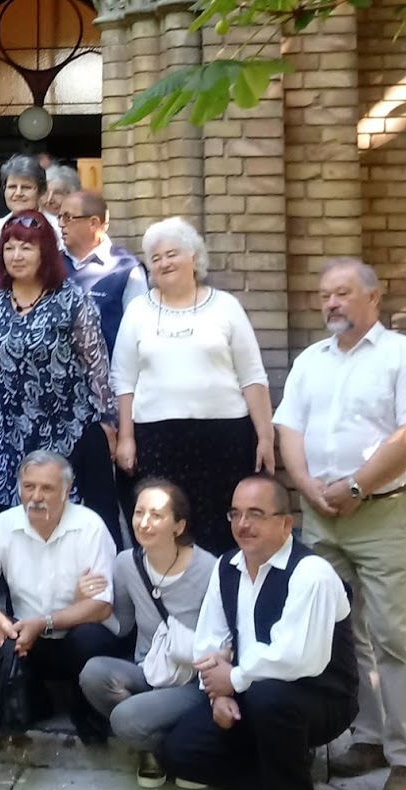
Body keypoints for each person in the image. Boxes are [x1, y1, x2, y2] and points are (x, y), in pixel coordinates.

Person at [274, 258, 406, 790]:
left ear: (374, 296)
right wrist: (304, 485)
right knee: (339, 633)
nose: (331, 303)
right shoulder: (310, 361)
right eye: (325, 294)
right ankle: (367, 737)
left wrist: (357, 486)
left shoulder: (405, 356)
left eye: (342, 292)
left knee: (394, 636)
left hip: (385, 513)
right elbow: (288, 426)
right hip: (322, 513)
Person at [161, 476, 357, 790]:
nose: (243, 524)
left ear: (286, 523)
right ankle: (281, 777)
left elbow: (298, 657)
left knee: (270, 695)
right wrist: (218, 696)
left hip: (319, 696)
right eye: (235, 514)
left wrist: (233, 679)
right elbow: (209, 639)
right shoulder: (228, 566)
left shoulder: (311, 573)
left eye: (255, 514)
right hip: (250, 692)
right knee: (180, 752)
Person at [0, 210, 121, 547]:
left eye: (26, 248)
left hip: (67, 434)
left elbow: (97, 366)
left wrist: (108, 422)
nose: (16, 256)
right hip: (7, 436)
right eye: (9, 248)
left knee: (67, 529)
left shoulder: (71, 298)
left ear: (45, 252)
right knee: (14, 531)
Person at [112, 217, 272, 555]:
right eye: (156, 258)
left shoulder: (226, 306)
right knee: (166, 528)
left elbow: (252, 375)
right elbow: (123, 380)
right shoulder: (138, 310)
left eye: (172, 254)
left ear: (194, 258)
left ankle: (224, 587)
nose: (164, 263)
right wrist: (126, 437)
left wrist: (265, 436)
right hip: (156, 440)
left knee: (223, 527)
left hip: (225, 438)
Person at [0, 450, 127, 742]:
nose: (36, 496)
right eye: (29, 486)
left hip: (75, 639)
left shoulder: (90, 527)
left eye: (46, 488)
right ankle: (34, 697)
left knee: (89, 637)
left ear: (66, 491)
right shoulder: (3, 525)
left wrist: (44, 623)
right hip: (28, 639)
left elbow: (100, 607)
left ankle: (86, 705)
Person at [79, 479, 215, 787]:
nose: (144, 522)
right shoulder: (126, 564)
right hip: (149, 670)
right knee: (93, 673)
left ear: (179, 526)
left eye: (156, 515)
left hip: (193, 680)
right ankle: (154, 747)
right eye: (139, 512)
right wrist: (87, 602)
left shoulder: (209, 569)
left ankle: (188, 753)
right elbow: (122, 625)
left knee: (125, 718)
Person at [58, 191, 148, 357]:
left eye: (68, 217)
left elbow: (140, 331)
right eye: (60, 217)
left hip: (108, 369)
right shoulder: (49, 265)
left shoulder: (126, 270)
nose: (61, 224)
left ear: (93, 223)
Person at [0, 155, 63, 269]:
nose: (18, 193)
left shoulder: (59, 229)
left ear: (41, 191)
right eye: (12, 187)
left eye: (26, 187)